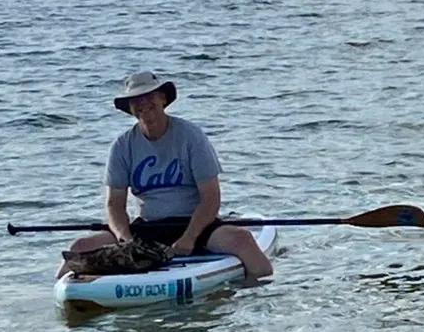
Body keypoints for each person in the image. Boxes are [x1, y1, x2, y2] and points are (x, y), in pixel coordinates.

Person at [57, 70, 273, 279]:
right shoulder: (122, 146)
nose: (143, 104)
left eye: (149, 97)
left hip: (195, 224)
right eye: (136, 100)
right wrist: (125, 240)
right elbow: (114, 204)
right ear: (130, 108)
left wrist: (189, 238)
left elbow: (210, 197)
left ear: (162, 98)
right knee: (79, 248)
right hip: (147, 228)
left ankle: (257, 293)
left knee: (243, 240)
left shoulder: (191, 136)